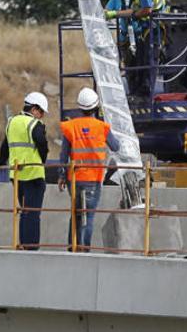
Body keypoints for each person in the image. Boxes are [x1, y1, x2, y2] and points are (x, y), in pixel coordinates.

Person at [58, 87, 121, 251]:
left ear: (80, 107)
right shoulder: (102, 127)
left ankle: (73, 246)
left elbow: (63, 155)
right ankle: (84, 249)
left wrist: (61, 176)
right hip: (93, 179)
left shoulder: (70, 126)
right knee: (89, 215)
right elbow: (116, 146)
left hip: (74, 179)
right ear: (96, 107)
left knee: (76, 213)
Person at [105, 0, 165, 97]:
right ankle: (138, 92)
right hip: (142, 31)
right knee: (140, 61)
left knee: (148, 59)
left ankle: (145, 92)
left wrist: (129, 14)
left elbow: (146, 10)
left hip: (153, 28)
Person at [0, 92, 50, 251]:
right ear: (34, 109)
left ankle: (23, 244)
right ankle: (31, 247)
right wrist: (43, 160)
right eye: (41, 112)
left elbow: (5, 146)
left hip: (17, 176)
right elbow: (42, 145)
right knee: (33, 213)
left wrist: (0, 161)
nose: (42, 116)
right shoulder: (34, 124)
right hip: (34, 175)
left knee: (24, 211)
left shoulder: (11, 122)